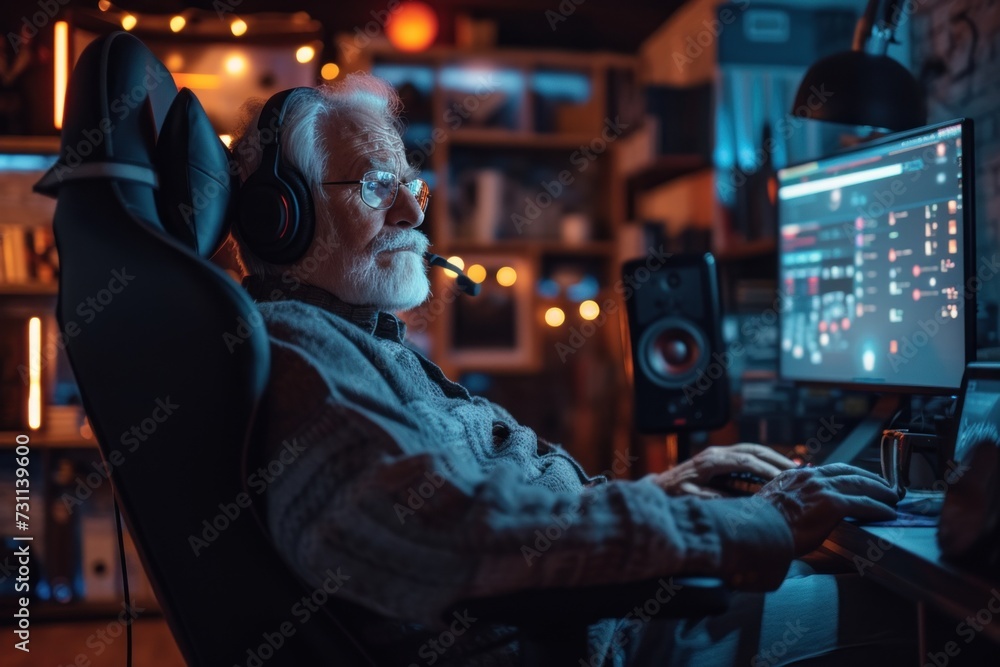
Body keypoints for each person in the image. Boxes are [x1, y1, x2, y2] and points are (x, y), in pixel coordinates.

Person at [226, 78, 913, 666]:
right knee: (918, 616)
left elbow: (494, 507)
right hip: (607, 642)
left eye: (412, 185)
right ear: (280, 217)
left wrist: (664, 492)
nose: (411, 211)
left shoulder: (364, 341)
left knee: (866, 576)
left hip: (618, 620)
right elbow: (450, 533)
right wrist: (756, 521)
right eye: (378, 187)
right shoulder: (303, 351)